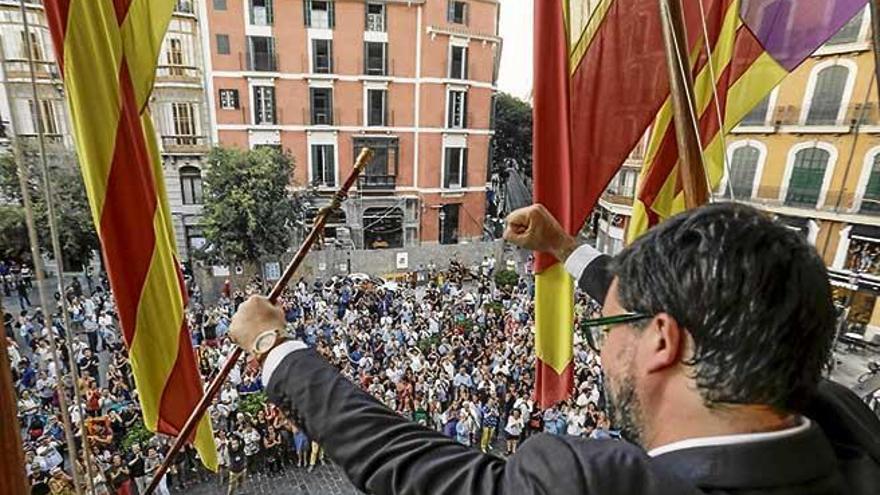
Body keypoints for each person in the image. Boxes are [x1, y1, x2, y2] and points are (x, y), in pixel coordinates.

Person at [228, 203, 880, 494]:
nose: (599, 353)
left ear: (661, 339)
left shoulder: (592, 485)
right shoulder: (849, 430)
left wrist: (273, 346)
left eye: (606, 330)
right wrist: (570, 251)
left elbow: (410, 464)